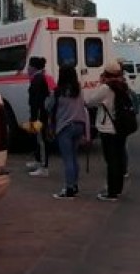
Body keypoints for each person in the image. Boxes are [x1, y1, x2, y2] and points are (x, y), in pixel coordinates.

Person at [84, 61, 131, 202]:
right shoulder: (124, 86)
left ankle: (111, 193)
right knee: (118, 159)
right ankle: (117, 189)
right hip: (121, 127)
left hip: (108, 128)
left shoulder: (106, 88)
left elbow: (90, 101)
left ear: (107, 74)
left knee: (111, 161)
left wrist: (100, 83)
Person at [47, 65, 90, 199]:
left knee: (67, 159)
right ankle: (75, 185)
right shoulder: (78, 91)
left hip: (65, 127)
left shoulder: (58, 92)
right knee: (74, 157)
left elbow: (48, 107)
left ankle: (69, 189)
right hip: (79, 125)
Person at [26, 56, 52, 177]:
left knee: (41, 140)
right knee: (36, 139)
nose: (27, 68)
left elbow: (37, 100)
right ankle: (37, 161)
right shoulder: (37, 78)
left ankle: (44, 167)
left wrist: (35, 117)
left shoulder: (38, 79)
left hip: (39, 115)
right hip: (37, 114)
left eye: (29, 66)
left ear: (33, 67)